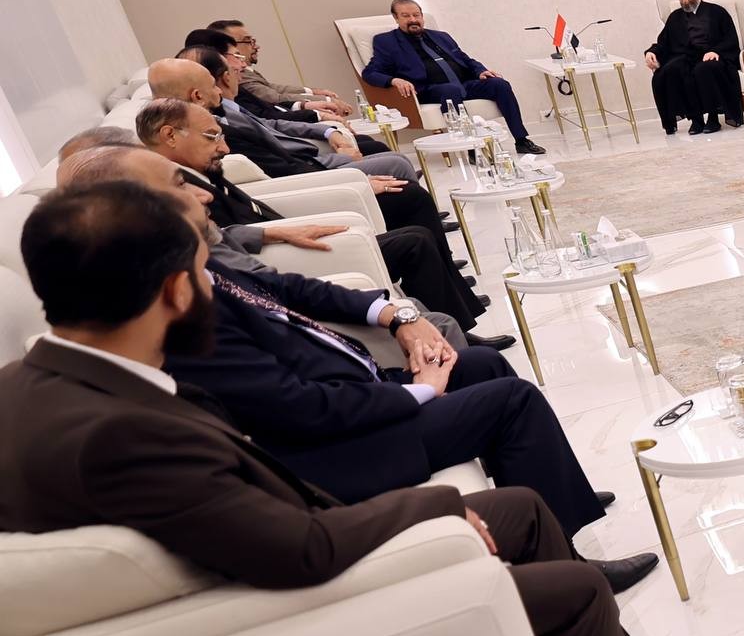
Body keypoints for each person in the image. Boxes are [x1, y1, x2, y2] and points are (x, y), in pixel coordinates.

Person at [0, 181, 713, 636]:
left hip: (264, 538)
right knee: (576, 590)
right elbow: (299, 549)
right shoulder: (124, 436)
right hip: (299, 597)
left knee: (524, 508)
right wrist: (435, 506)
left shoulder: (33, 384)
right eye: (198, 271)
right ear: (175, 292)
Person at [160, 219, 615, 540]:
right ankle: (562, 546)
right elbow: (297, 409)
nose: (202, 193)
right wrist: (420, 392)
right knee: (513, 399)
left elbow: (294, 289)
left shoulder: (205, 272)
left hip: (360, 394)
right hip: (343, 446)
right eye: (180, 187)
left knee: (482, 364)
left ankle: (550, 494)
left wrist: (395, 314)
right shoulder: (188, 321)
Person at [134, 98, 504, 348]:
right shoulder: (167, 189)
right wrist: (271, 232)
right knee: (414, 239)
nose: (223, 147)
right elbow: (218, 244)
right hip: (283, 260)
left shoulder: (192, 170)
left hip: (291, 229)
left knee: (412, 227)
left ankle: (458, 320)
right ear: (170, 135)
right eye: (212, 136)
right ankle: (459, 330)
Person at [153, 55, 448, 238]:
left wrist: (327, 128)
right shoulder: (214, 136)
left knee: (392, 167)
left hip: (301, 168)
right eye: (214, 83)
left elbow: (273, 122)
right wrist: (355, 182)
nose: (239, 65)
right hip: (303, 179)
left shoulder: (218, 118)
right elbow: (275, 173)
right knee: (400, 176)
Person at [359, 0, 542, 153]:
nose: (413, 19)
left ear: (422, 16)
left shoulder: (441, 36)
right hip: (428, 90)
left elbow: (465, 59)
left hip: (463, 84)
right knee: (450, 90)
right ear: (396, 18)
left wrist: (481, 71)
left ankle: (521, 140)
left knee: (499, 84)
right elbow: (370, 73)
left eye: (416, 15)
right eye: (406, 16)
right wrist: (394, 80)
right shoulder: (386, 41)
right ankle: (470, 148)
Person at [645, 0, 744, 135]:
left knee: (704, 68)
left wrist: (715, 51)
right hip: (685, 58)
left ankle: (713, 118)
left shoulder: (717, 12)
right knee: (670, 71)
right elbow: (663, 43)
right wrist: (651, 52)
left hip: (712, 57)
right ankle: (696, 119)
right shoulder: (675, 17)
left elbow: (730, 40)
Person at [208, 19, 359, 122]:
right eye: (248, 41)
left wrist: (314, 92)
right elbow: (274, 100)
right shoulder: (240, 77)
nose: (256, 46)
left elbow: (273, 88)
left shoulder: (245, 72)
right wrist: (323, 103)